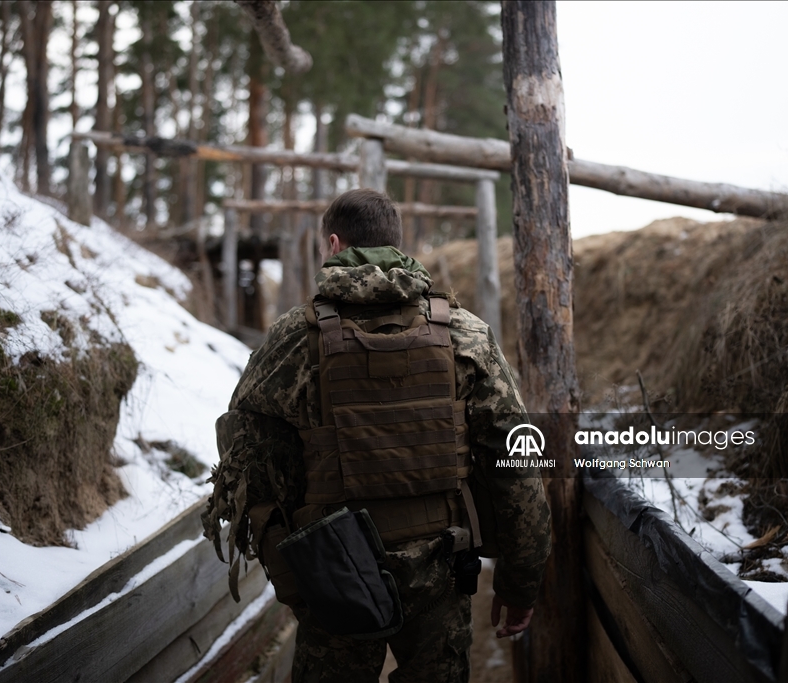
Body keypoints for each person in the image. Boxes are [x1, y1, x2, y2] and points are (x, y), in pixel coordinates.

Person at [203, 188, 550, 682]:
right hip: (443, 566)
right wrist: (519, 586)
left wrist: (295, 576)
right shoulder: (467, 336)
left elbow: (247, 465)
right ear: (398, 244)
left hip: (335, 571)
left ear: (333, 244)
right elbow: (518, 469)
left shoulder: (291, 340)